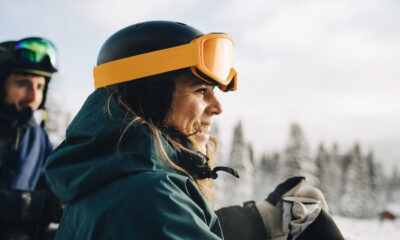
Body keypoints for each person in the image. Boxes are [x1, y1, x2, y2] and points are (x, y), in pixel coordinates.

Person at [45, 21, 344, 239]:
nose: (217, 106)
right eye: (201, 90)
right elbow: (153, 216)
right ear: (149, 97)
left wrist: (260, 221)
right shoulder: (146, 196)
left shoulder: (112, 178)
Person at [0, 37, 63, 239]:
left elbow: (53, 181)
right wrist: (36, 204)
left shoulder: (37, 136)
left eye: (39, 87)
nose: (33, 97)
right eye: (23, 84)